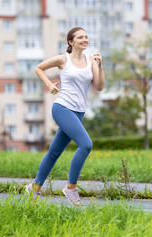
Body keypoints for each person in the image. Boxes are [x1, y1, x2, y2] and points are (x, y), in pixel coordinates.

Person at [25, 27, 105, 206]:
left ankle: (34, 188)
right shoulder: (63, 59)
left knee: (54, 152)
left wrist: (99, 66)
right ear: (71, 41)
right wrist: (49, 85)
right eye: (80, 37)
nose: (85, 39)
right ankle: (71, 188)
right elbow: (39, 68)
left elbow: (99, 86)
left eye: (86, 36)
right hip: (62, 108)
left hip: (79, 111)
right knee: (86, 145)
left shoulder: (91, 59)